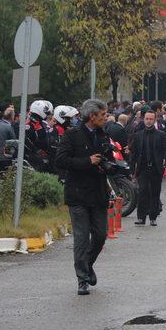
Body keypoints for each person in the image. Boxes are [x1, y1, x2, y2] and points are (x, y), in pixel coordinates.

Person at [54, 99, 114, 296]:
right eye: (103, 115)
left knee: (100, 234)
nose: (106, 118)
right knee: (81, 237)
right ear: (92, 116)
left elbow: (109, 158)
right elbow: (61, 160)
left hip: (98, 193)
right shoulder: (72, 135)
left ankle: (87, 265)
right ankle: (82, 279)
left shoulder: (103, 134)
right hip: (78, 194)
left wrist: (112, 165)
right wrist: (87, 161)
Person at [129, 110, 166, 227]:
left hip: (156, 168)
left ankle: (153, 217)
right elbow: (134, 154)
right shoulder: (138, 135)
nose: (148, 121)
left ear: (155, 120)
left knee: (155, 193)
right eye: (147, 119)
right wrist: (132, 170)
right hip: (143, 168)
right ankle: (141, 217)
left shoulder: (161, 135)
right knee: (142, 192)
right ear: (144, 119)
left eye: (151, 119)